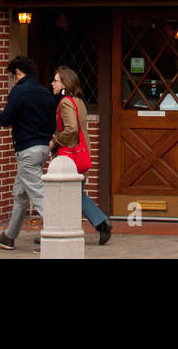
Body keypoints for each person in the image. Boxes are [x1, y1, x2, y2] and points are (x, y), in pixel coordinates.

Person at [0, 55, 56, 250]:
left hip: (26, 149)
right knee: (20, 193)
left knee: (38, 194)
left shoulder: (19, 92)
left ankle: (56, 235)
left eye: (13, 76)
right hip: (43, 148)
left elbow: (6, 118)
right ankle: (9, 236)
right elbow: (52, 122)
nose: (13, 80)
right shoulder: (45, 93)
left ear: (18, 72)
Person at [51, 66, 113, 245]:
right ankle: (62, 229)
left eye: (55, 80)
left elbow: (71, 129)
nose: (52, 83)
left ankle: (101, 223)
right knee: (73, 194)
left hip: (70, 156)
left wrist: (54, 140)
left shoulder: (66, 102)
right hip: (80, 153)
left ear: (65, 83)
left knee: (73, 194)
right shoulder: (78, 101)